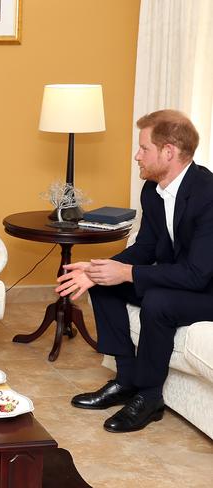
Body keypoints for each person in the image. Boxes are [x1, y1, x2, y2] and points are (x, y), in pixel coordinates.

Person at [56, 110, 213, 433]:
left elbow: (198, 274)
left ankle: (150, 396)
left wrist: (127, 273)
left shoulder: (208, 194)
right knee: (103, 284)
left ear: (168, 151)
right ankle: (125, 381)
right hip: (183, 279)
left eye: (144, 148)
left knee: (157, 302)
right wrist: (98, 270)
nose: (136, 156)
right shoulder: (153, 190)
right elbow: (144, 249)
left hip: (207, 289)